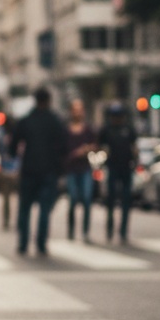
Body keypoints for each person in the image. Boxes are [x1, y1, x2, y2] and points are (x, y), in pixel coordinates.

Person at [10, 86, 67, 256]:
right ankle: (41, 244)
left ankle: (23, 243)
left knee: (24, 209)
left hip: (29, 170)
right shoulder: (55, 121)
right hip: (48, 171)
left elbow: (13, 147)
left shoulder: (26, 120)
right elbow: (64, 146)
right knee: (44, 210)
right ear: (48, 101)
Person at [98, 101, 138, 243]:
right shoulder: (106, 130)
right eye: (115, 116)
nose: (117, 119)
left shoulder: (128, 129)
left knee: (126, 200)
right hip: (112, 167)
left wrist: (136, 162)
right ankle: (110, 225)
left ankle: (123, 231)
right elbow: (100, 146)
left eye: (119, 116)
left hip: (126, 168)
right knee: (111, 199)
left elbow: (134, 147)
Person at [64, 99, 98, 242]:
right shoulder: (66, 130)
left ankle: (85, 232)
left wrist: (87, 149)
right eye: (75, 109)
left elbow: (95, 145)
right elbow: (62, 150)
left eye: (80, 109)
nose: (78, 112)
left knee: (86, 199)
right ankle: (71, 230)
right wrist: (74, 153)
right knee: (72, 200)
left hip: (85, 168)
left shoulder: (88, 129)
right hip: (71, 169)